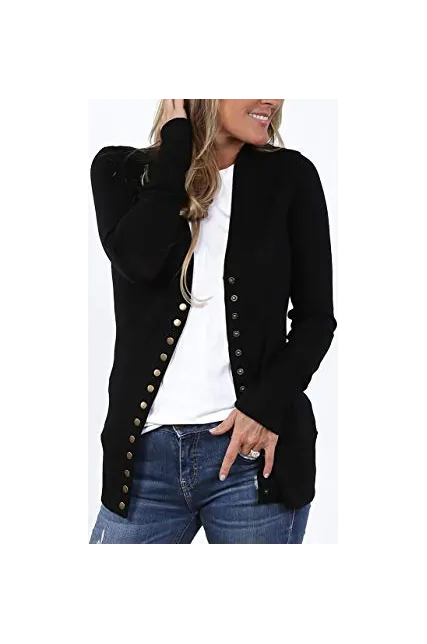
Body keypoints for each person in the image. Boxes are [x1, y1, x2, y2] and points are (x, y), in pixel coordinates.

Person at [89, 97, 337, 544]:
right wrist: (176, 145)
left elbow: (316, 320)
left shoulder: (291, 177)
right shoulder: (121, 171)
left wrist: (263, 408)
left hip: (253, 459)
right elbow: (138, 260)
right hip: (144, 464)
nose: (273, 97)